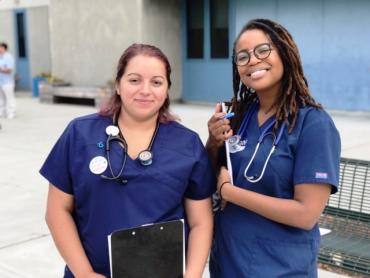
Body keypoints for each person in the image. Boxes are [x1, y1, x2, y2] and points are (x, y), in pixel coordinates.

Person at [40, 43, 215, 278]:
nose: (145, 90)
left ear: (167, 90)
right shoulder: (80, 134)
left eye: (156, 82)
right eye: (134, 80)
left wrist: (192, 274)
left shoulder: (188, 144)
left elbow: (201, 222)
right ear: (118, 86)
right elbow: (57, 211)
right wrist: (84, 273)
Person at [206, 18, 341, 277]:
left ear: (285, 53)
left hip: (280, 267)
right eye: (242, 56)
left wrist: (229, 193)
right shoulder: (238, 114)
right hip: (228, 260)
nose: (253, 60)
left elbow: (306, 214)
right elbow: (212, 171)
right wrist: (213, 141)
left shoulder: (313, 124)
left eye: (262, 50)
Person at [0, 42, 16, 119]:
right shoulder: (0, 57)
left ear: (4, 48)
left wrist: (1, 69)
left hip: (7, 82)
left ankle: (11, 113)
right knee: (1, 98)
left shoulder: (9, 57)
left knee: (9, 98)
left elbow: (9, 70)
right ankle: (2, 112)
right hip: (1, 82)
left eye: (0, 47)